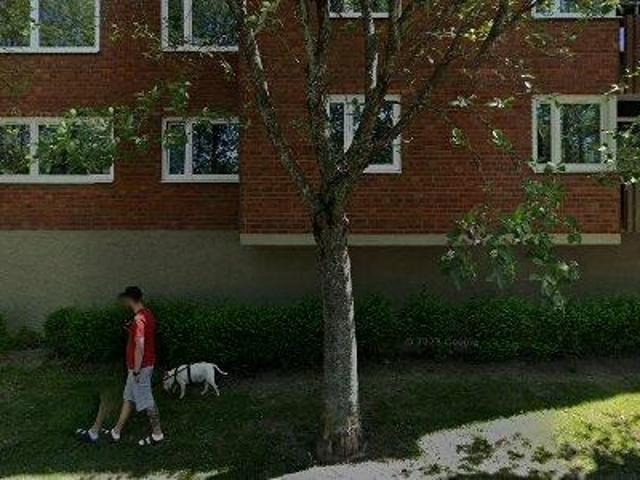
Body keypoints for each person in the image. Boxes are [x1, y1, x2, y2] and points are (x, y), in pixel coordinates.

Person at [76, 286, 164, 446]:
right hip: (142, 366)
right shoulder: (147, 314)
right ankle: (115, 432)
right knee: (128, 398)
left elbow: (140, 346)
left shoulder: (139, 320)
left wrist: (136, 371)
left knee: (147, 400)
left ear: (129, 299)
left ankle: (157, 434)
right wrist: (130, 330)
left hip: (140, 368)